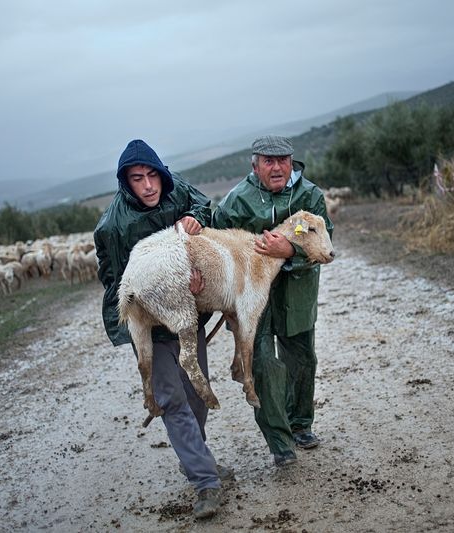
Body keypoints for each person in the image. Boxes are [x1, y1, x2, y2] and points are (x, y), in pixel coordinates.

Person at [94, 139, 231, 519]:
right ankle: (206, 482)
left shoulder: (177, 189)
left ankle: (195, 458)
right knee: (172, 401)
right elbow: (114, 277)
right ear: (127, 183)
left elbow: (205, 206)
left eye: (153, 175)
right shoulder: (113, 226)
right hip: (151, 326)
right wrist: (155, 292)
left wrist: (196, 220)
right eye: (138, 179)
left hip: (188, 315)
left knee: (198, 396)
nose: (149, 185)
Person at [212, 135, 333, 467]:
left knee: (303, 359)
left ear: (292, 163)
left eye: (283, 161)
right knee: (263, 366)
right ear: (255, 165)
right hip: (252, 300)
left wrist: (290, 249)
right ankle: (280, 441)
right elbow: (219, 245)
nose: (277, 167)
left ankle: (301, 424)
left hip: (296, 291)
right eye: (269, 161)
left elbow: (324, 242)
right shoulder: (236, 201)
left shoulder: (309, 196)